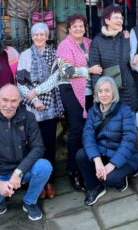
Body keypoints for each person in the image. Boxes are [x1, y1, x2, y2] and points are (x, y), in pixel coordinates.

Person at [0, 84, 51, 221]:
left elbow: (38, 148)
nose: (8, 105)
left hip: (23, 170)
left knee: (44, 166)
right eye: (5, 100)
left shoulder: (28, 118)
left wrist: (18, 172)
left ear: (19, 101)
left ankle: (29, 202)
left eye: (13, 101)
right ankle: (0, 198)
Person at [16, 22, 64, 199]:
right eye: (35, 34)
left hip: (50, 105)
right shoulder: (25, 55)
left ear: (47, 36)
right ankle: (38, 182)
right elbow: (20, 82)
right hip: (31, 107)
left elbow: (55, 78)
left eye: (42, 34)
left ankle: (49, 180)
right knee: (34, 146)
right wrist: (34, 99)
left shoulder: (54, 54)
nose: (39, 37)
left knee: (49, 145)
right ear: (32, 36)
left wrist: (37, 92)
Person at [56, 14, 102, 191]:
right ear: (68, 28)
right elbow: (66, 70)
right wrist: (88, 70)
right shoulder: (64, 45)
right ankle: (72, 170)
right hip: (70, 90)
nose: (78, 29)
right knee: (77, 129)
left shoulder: (89, 42)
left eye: (81, 26)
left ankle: (86, 166)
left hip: (90, 91)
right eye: (74, 26)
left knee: (89, 128)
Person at [76, 77, 138, 206]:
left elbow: (129, 140)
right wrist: (97, 160)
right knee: (81, 155)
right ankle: (95, 187)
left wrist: (112, 165)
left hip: (125, 157)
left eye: (107, 91)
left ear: (113, 93)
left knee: (110, 178)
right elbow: (87, 136)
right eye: (100, 91)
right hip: (103, 153)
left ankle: (121, 179)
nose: (103, 94)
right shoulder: (92, 111)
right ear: (96, 94)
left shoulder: (125, 111)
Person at [89, 5, 138, 111]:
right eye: (116, 17)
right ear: (107, 20)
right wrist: (98, 92)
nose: (120, 20)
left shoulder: (126, 38)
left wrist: (137, 55)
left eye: (121, 18)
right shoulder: (97, 41)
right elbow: (95, 70)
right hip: (108, 90)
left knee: (129, 120)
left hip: (128, 89)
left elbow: (135, 53)